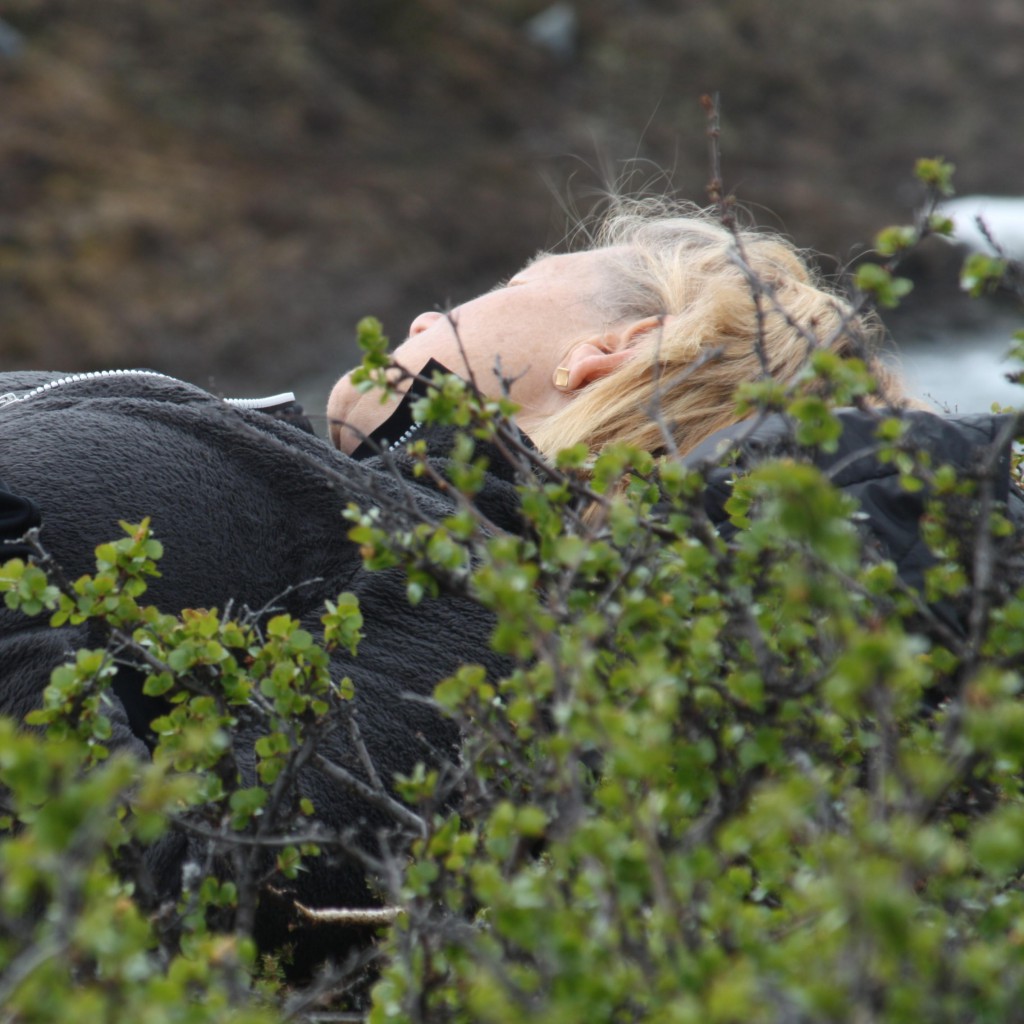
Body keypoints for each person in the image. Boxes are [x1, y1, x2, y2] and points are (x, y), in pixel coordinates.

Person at [0, 201, 1018, 968]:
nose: (417, 313)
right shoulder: (406, 551)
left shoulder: (472, 631)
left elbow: (166, 909)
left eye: (475, 300)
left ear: (610, 349)